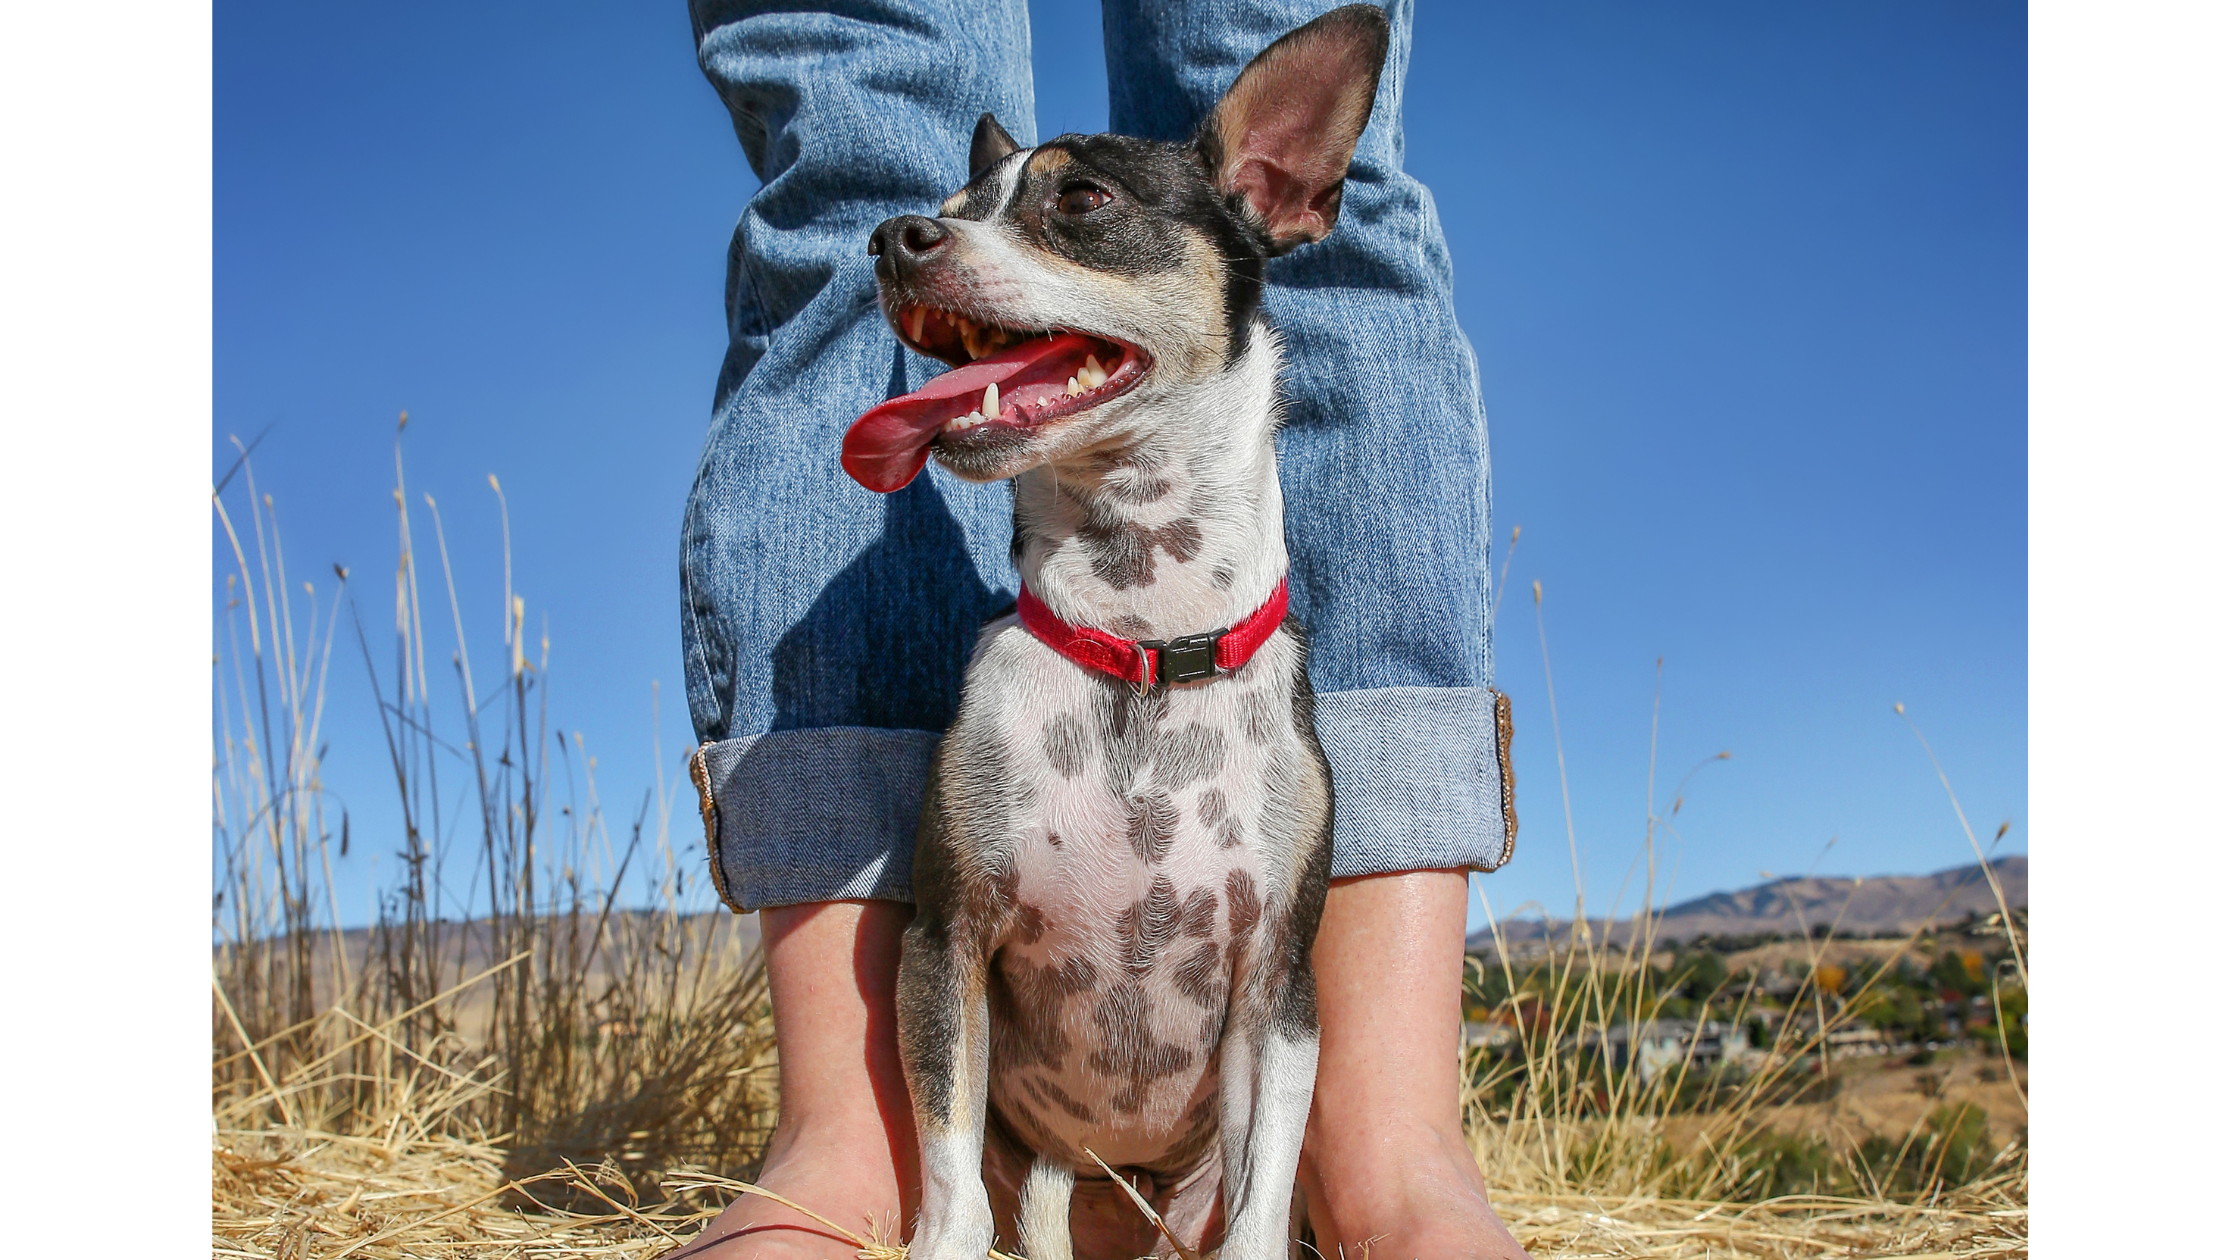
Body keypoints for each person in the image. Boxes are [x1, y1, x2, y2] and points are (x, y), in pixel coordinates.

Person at [675, 2, 1529, 1256]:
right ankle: (863, 1159)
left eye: (1070, 208)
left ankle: (1378, 1157)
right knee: (854, 83)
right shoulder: (1000, 703)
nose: (938, 239)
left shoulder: (1249, 205)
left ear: (1272, 185)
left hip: (1237, 686)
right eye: (975, 210)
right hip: (1020, 1111)